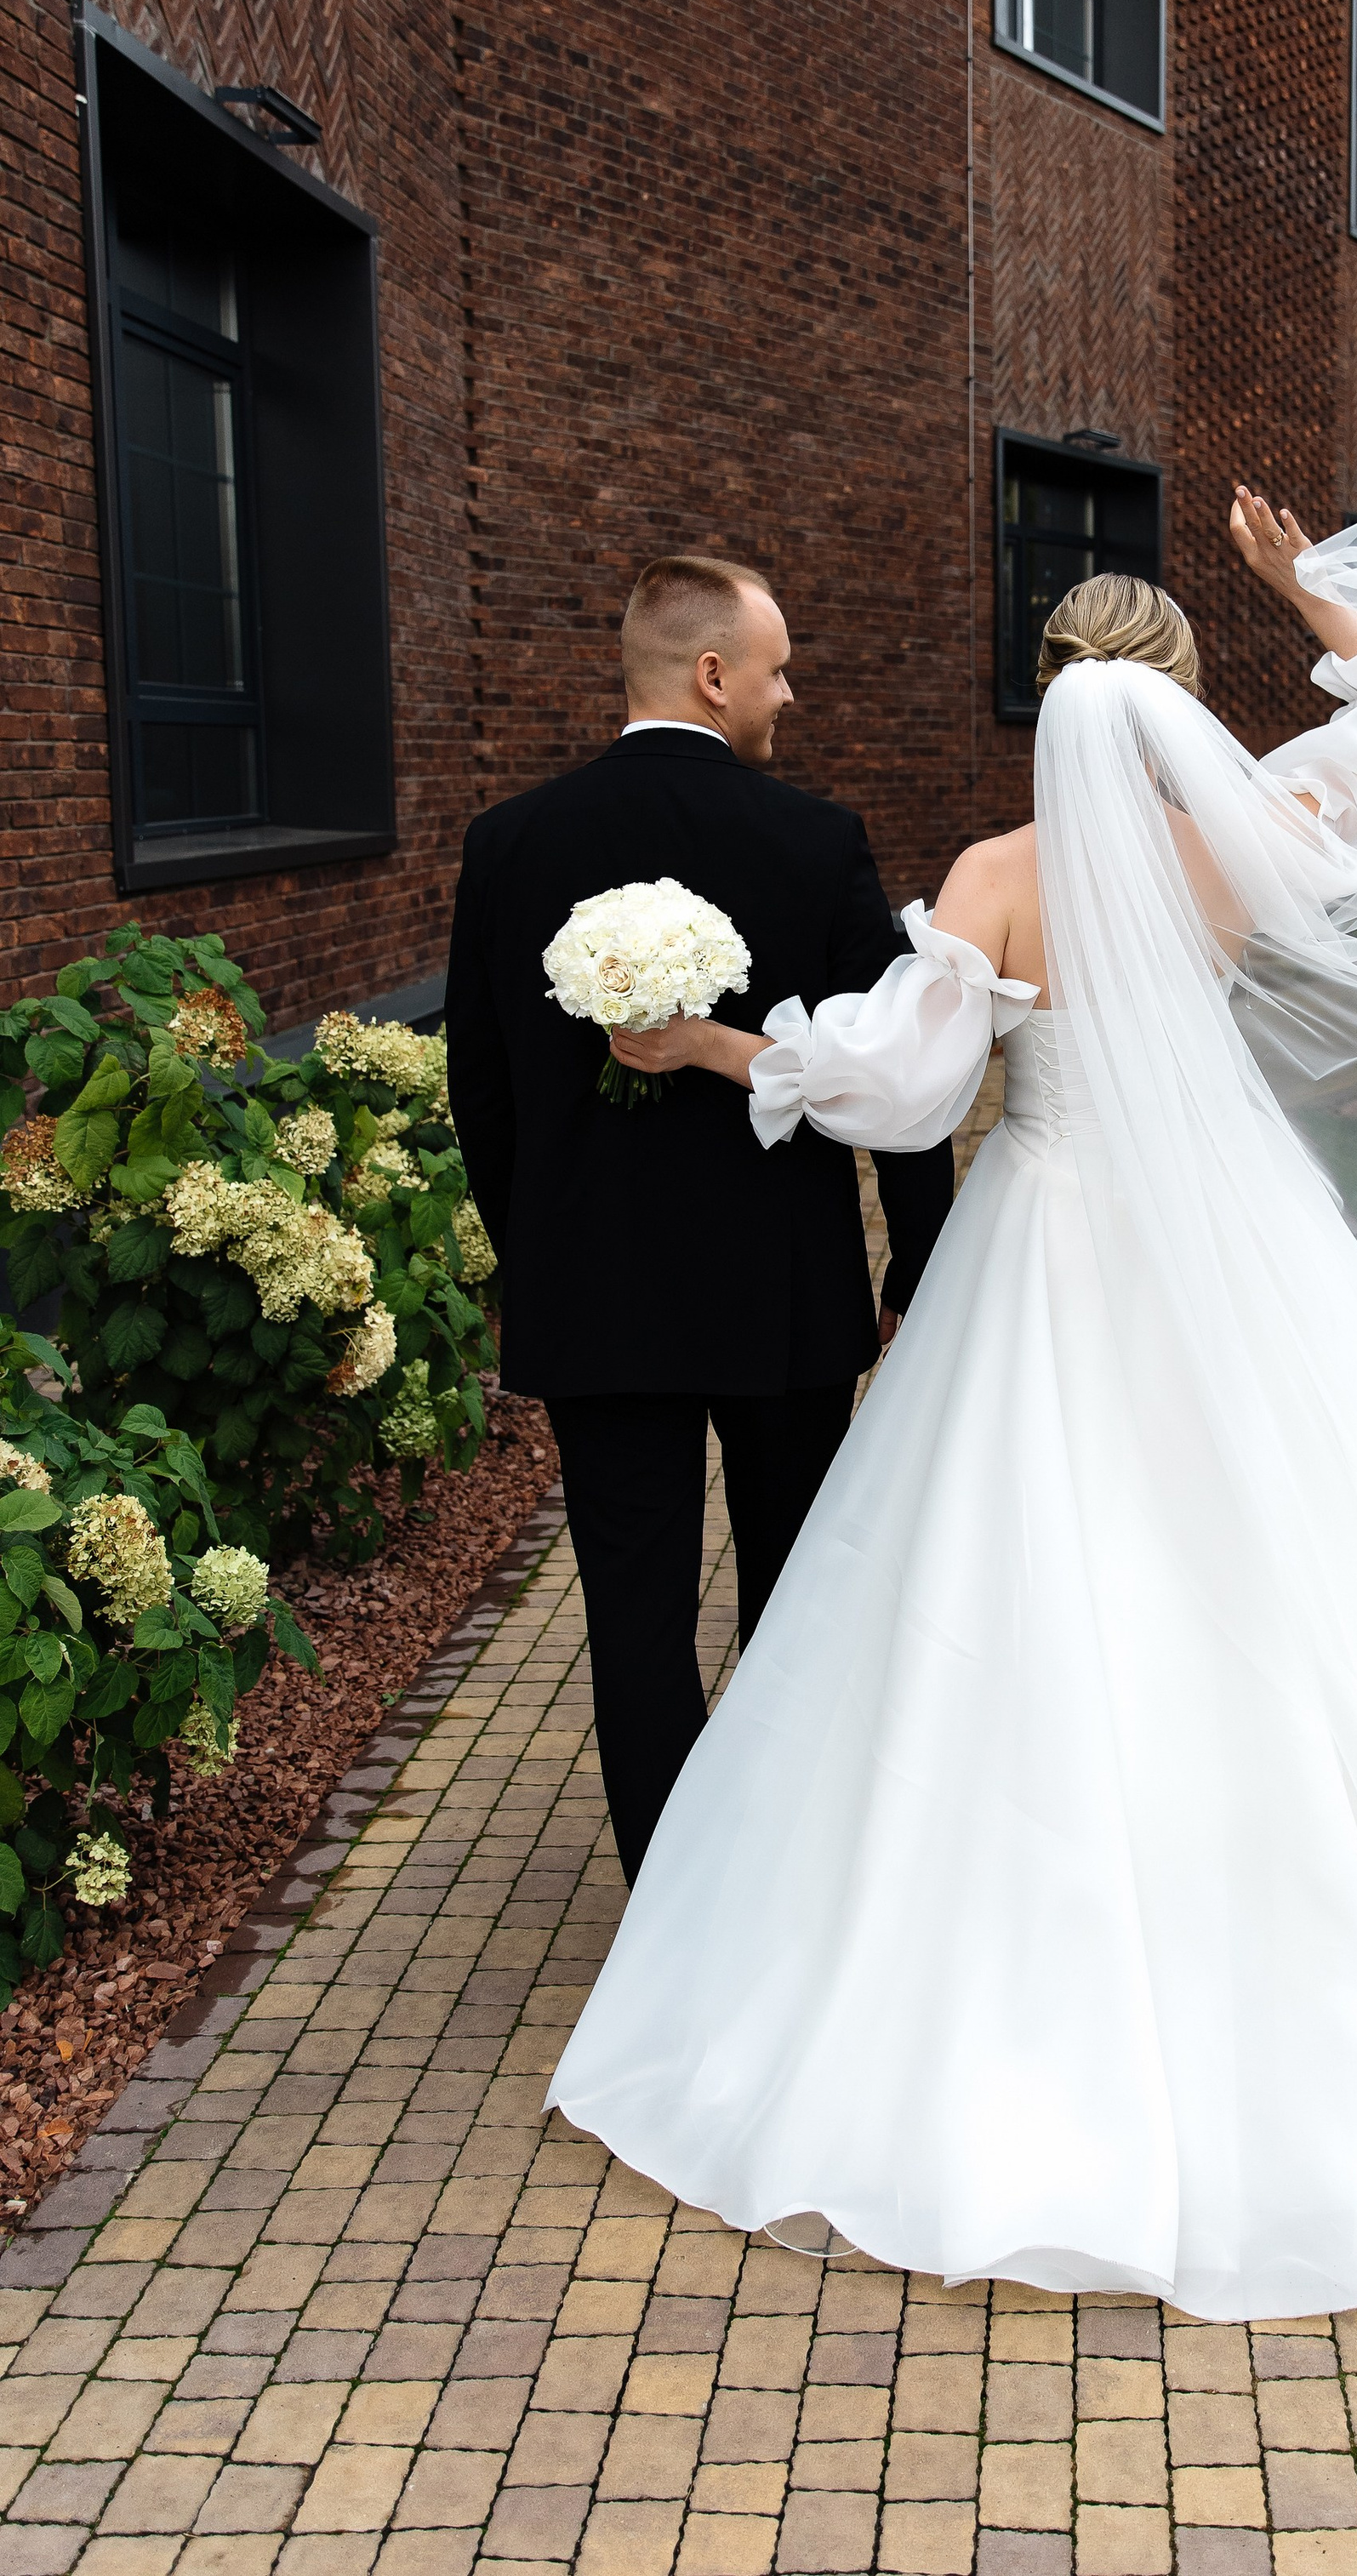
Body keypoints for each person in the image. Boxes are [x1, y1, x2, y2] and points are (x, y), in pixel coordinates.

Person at [545, 493, 1357, 2317]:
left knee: (1014, 1598)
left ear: (1049, 696)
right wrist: (1318, 591)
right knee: (1304, 1566)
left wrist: (715, 1042)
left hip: (1047, 1245)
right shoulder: (1250, 838)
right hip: (1232, 1235)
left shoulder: (995, 872)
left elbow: (898, 1093)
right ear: (1175, 701)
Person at [442, 554, 955, 1883]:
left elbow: (480, 1090)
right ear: (713, 673)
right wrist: (920, 1259)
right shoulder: (814, 840)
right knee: (796, 1588)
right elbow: (893, 1078)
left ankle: (671, 1898)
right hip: (778, 1293)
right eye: (778, 669)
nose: (791, 694)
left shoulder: (510, 844)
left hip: (596, 1297)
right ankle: (780, 1887)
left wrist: (536, 1248)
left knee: (632, 1605)